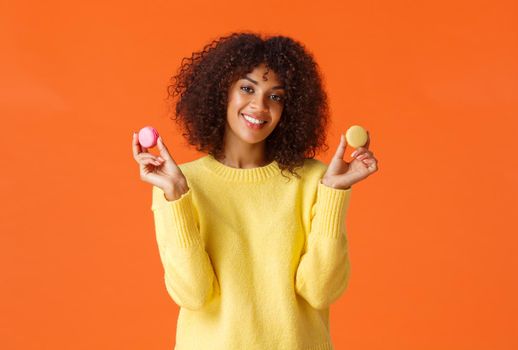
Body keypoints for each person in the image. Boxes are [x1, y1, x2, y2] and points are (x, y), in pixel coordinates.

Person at [131, 32, 378, 350]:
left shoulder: (316, 179)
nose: (260, 106)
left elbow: (321, 291)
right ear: (223, 93)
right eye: (247, 88)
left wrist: (333, 193)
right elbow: (193, 294)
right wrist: (177, 196)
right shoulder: (180, 183)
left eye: (276, 96)